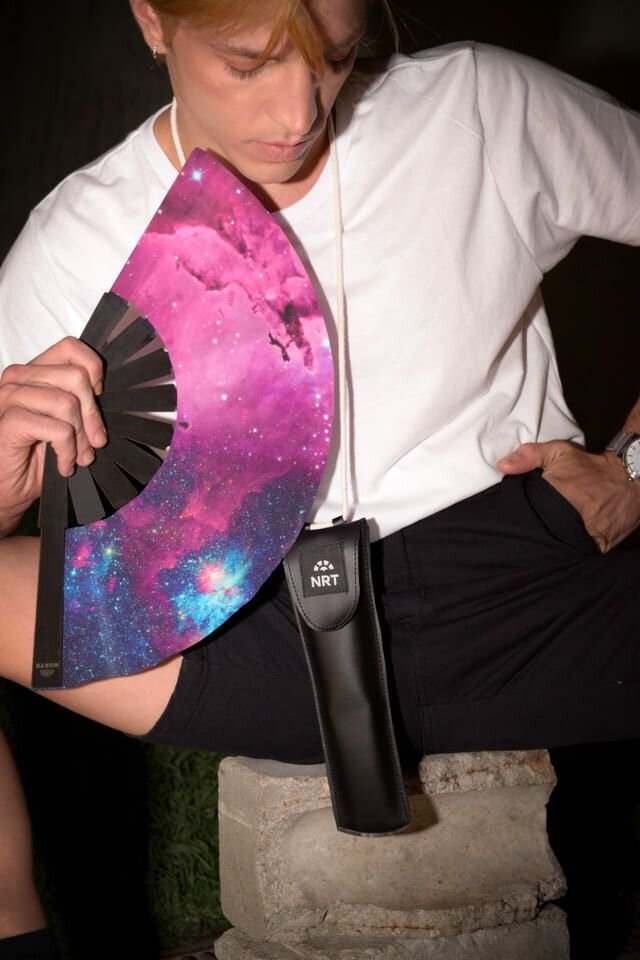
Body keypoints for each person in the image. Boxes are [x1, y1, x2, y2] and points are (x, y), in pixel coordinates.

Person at [0, 0, 639, 956]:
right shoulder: (77, 237)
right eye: (249, 63)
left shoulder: (471, 107)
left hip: (529, 574)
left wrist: (634, 462)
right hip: (244, 622)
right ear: (153, 22)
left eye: (336, 56)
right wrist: (7, 485)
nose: (301, 111)